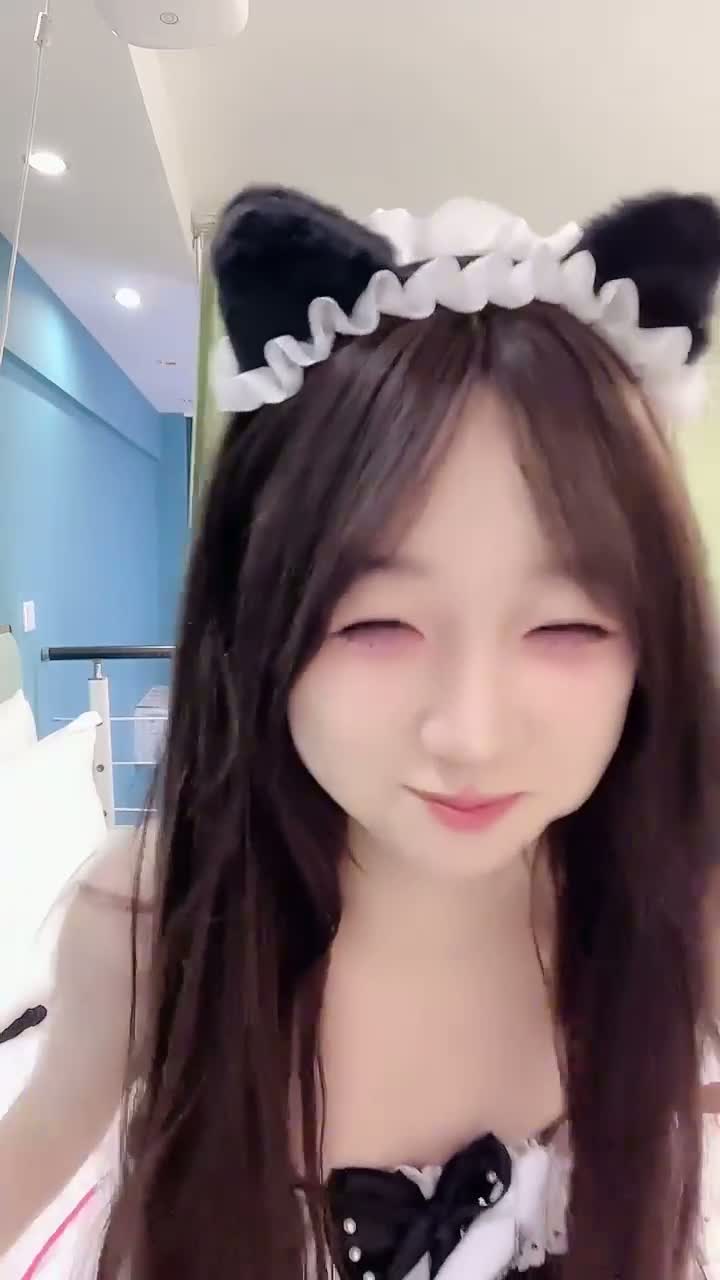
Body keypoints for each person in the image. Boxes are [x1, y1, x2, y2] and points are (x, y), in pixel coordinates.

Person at [3, 186, 720, 1280]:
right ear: (259, 625)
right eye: (378, 623)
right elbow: (35, 1146)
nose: (470, 733)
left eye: (567, 626)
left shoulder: (670, 904)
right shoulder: (159, 928)